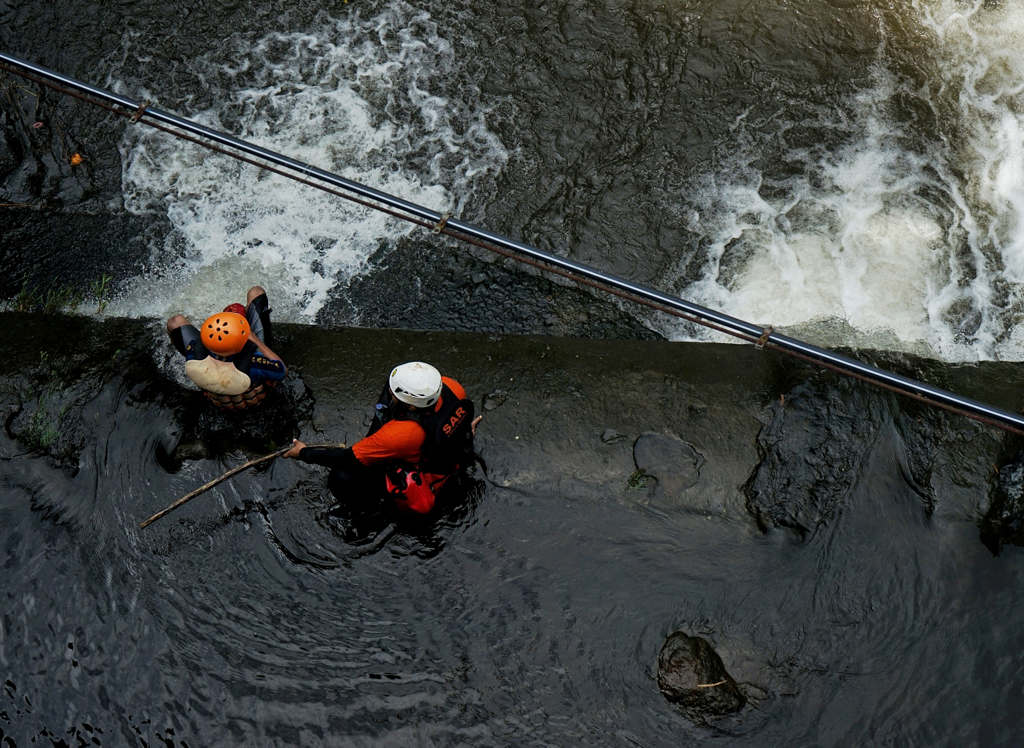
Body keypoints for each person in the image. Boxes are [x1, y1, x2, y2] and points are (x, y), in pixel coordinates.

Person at [284, 361, 481, 515]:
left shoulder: (400, 434)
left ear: (412, 406)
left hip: (426, 469)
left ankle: (371, 510)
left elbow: (349, 458)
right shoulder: (451, 386)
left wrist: (303, 452)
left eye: (394, 393)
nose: (389, 393)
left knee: (341, 477)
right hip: (449, 452)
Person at [166, 285, 286, 410]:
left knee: (175, 322)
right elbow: (282, 370)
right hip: (256, 404)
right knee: (256, 292)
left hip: (217, 400)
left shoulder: (195, 355)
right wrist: (254, 339)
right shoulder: (255, 363)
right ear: (243, 336)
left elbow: (175, 322)